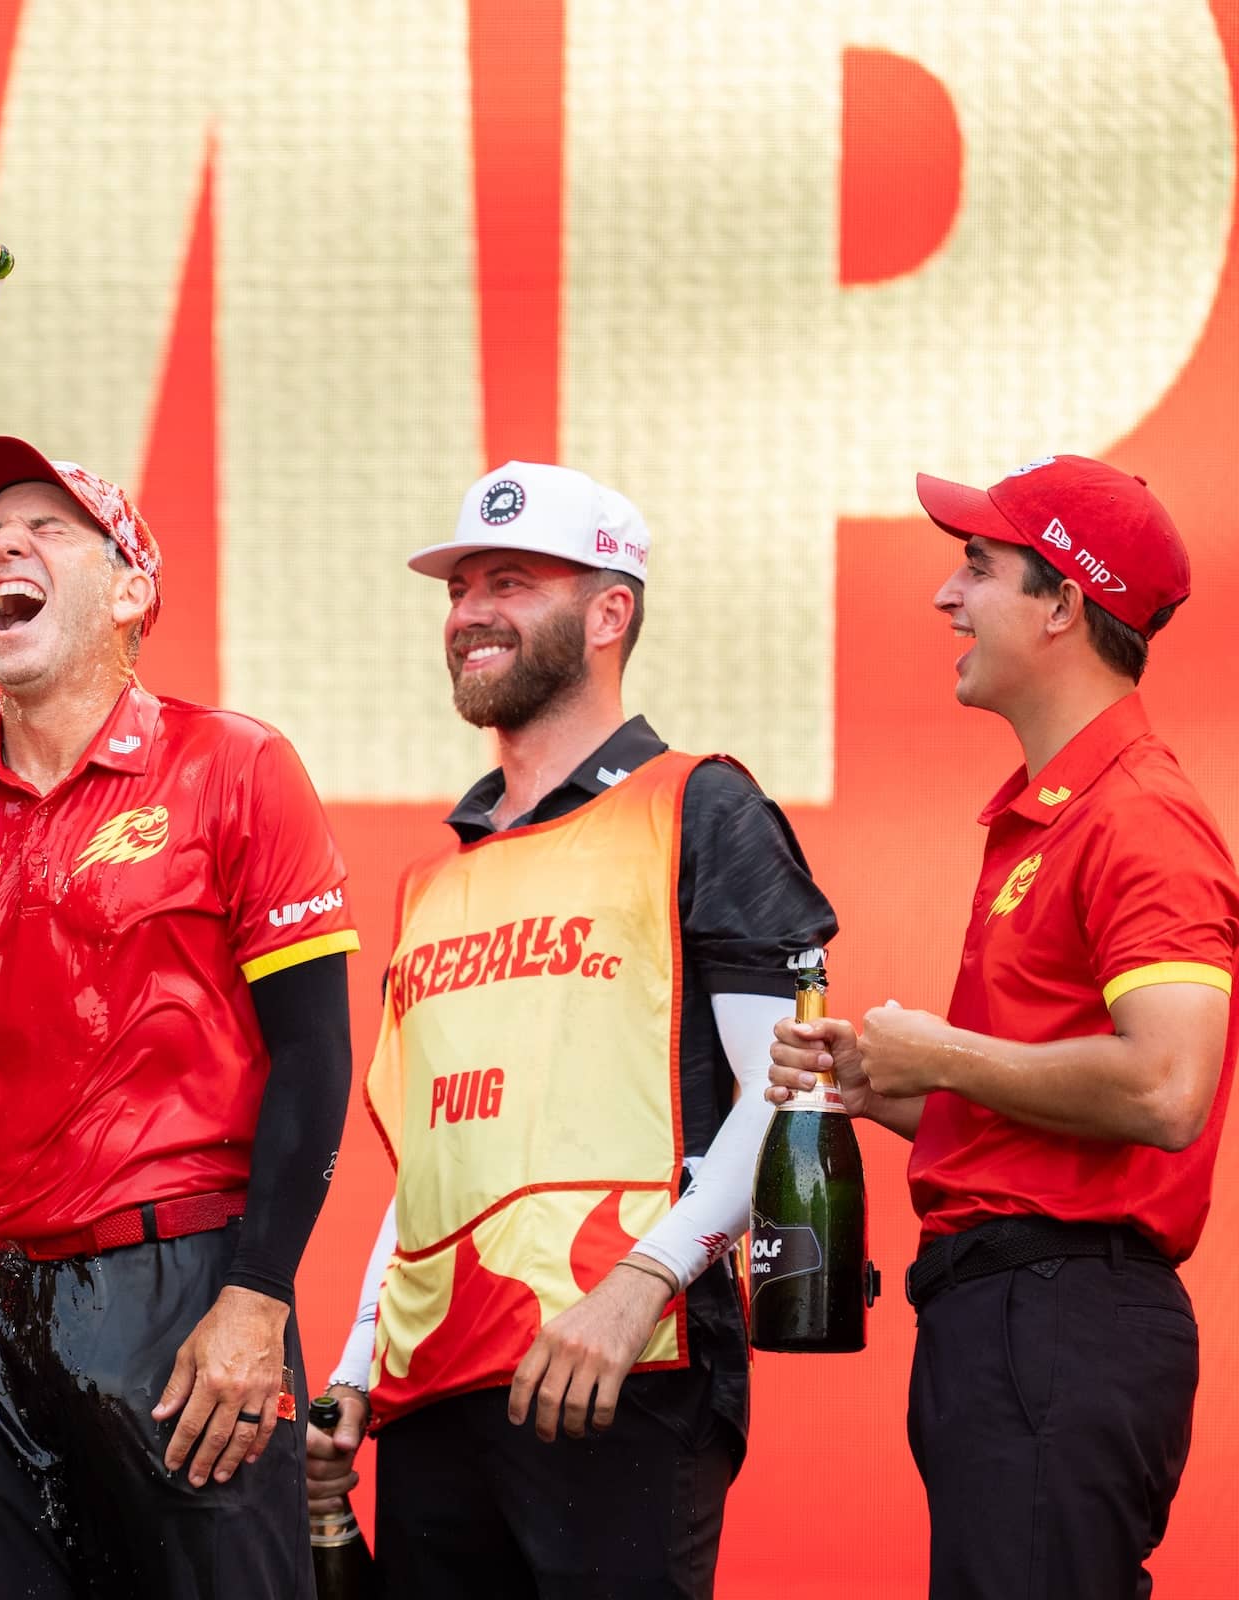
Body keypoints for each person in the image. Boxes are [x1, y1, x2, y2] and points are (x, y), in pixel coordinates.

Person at [0, 437, 360, 1598]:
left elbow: (314, 1057)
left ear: (130, 588)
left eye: (49, 527)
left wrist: (257, 1296)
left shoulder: (236, 768)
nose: (5, 542)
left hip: (189, 1297)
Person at [312, 463, 838, 1598]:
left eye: (512, 581)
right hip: (433, 1392)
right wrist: (355, 1368)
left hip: (619, 1366)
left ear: (612, 612)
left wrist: (643, 1279)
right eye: (458, 589)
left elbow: (792, 1094)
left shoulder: (702, 805)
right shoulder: (434, 878)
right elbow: (431, 1171)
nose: (470, 613)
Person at [768, 455, 1236, 1599]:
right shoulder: (1053, 817)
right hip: (1013, 1316)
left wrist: (945, 1051)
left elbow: (1169, 1086)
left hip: (1060, 1315)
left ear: (1064, 601)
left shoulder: (1141, 815)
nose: (946, 597)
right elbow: (1040, 1101)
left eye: (976, 567)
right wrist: (879, 1084)